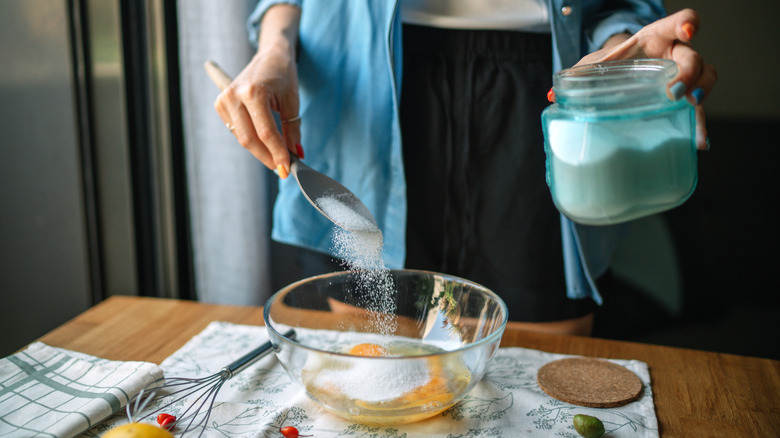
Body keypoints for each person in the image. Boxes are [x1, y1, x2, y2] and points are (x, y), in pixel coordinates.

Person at [213, 1, 717, 335]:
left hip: (539, 93)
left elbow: (616, 5)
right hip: (358, 91)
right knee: (375, 376)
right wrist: (276, 47)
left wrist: (621, 54)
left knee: (535, 385)